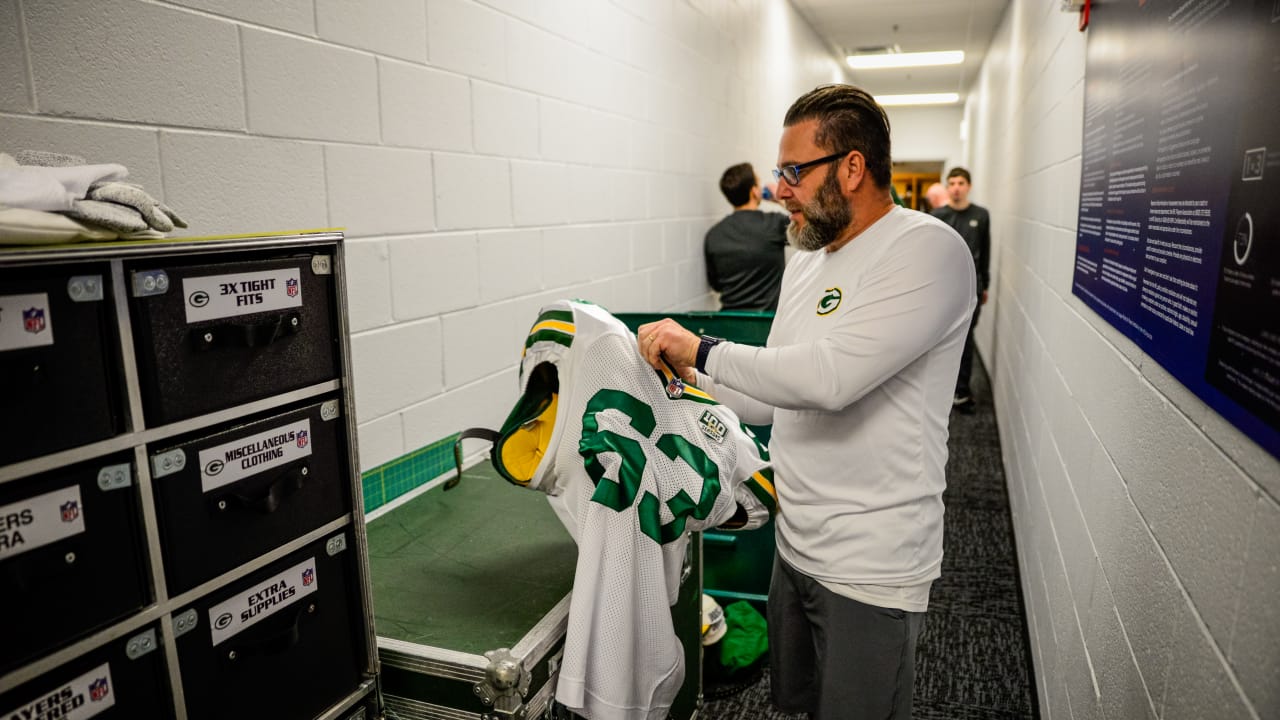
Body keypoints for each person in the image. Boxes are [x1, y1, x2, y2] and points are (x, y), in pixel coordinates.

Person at [636, 84, 976, 720]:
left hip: (871, 565)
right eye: (779, 172)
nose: (780, 189)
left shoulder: (928, 250)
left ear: (851, 167)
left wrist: (702, 347)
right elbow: (778, 396)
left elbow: (830, 378)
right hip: (796, 548)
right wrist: (686, 379)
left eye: (794, 171)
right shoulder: (807, 257)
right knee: (796, 709)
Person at [931, 167, 990, 414]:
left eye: (961, 183)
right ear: (947, 188)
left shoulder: (981, 215)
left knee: (965, 340)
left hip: (971, 289)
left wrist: (984, 284)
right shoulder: (938, 215)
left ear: (969, 186)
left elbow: (985, 251)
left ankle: (962, 392)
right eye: (952, 183)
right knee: (939, 340)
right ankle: (938, 391)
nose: (956, 187)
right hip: (943, 289)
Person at [703, 163, 789, 311]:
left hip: (729, 322)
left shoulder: (713, 234)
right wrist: (781, 200)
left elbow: (716, 284)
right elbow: (812, 225)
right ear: (755, 192)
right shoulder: (774, 224)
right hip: (766, 324)